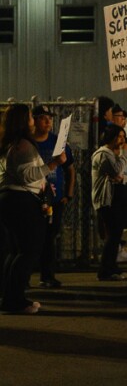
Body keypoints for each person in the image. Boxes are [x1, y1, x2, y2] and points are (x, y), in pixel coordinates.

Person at [1, 104, 65, 314]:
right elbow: (26, 175)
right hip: (22, 201)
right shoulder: (23, 146)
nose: (32, 120)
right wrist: (53, 165)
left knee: (17, 251)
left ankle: (11, 297)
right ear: (23, 120)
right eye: (30, 116)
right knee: (29, 251)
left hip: (13, 200)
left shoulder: (11, 143)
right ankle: (16, 300)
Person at [31, 105, 75, 289]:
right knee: (31, 238)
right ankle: (25, 275)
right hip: (33, 198)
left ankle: (47, 275)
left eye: (50, 118)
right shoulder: (28, 143)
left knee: (50, 237)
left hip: (54, 198)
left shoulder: (58, 142)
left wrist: (69, 194)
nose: (48, 121)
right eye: (43, 117)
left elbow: (70, 169)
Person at [92, 123, 127, 280]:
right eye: (119, 136)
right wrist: (125, 153)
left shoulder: (118, 154)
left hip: (121, 197)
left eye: (123, 137)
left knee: (117, 235)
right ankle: (106, 270)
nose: (122, 140)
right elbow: (117, 170)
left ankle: (112, 266)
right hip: (108, 200)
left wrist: (125, 179)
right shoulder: (104, 154)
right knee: (112, 235)